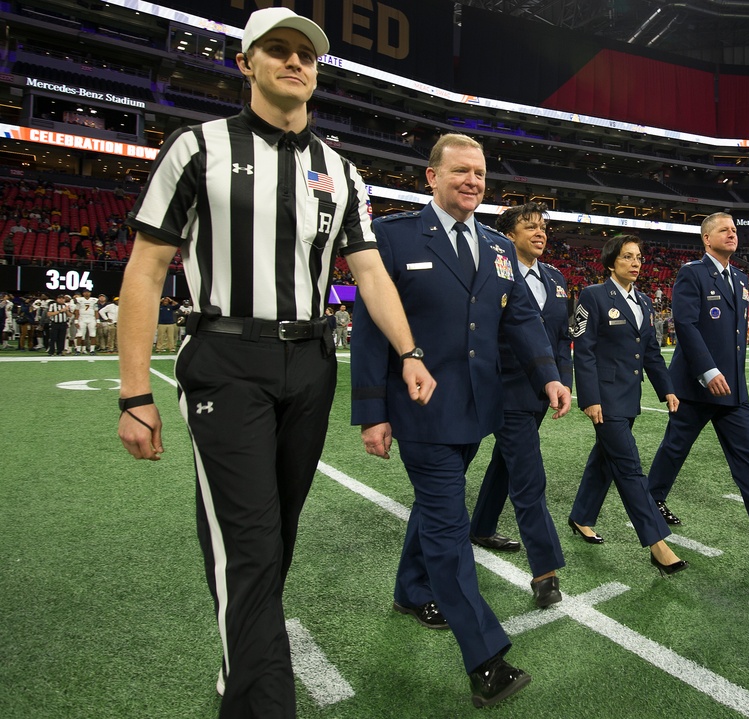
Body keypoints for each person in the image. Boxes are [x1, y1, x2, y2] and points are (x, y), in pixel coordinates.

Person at [116, 8, 435, 717]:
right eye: (279, 51)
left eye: (306, 55)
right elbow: (145, 270)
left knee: (275, 536)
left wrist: (409, 350)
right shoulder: (195, 147)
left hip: (312, 361)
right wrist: (132, 392)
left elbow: (371, 272)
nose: (296, 62)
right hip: (225, 359)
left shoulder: (341, 171)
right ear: (246, 63)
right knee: (251, 545)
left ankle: (240, 665)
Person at [350, 133, 571, 708]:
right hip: (421, 411)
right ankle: (485, 658)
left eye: (479, 173)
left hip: (478, 411)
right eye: (460, 171)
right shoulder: (395, 237)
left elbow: (521, 317)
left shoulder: (498, 246)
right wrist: (373, 412)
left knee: (434, 507)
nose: (472, 181)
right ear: (432, 177)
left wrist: (547, 371)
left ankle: (408, 589)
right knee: (450, 528)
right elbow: (372, 330)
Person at [646, 212, 749, 548]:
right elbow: (686, 326)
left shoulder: (739, 278)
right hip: (696, 384)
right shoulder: (692, 274)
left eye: (735, 229)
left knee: (746, 455)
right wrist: (708, 371)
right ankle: (650, 501)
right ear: (707, 238)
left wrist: (731, 378)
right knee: (675, 447)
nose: (732, 234)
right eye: (724, 230)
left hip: (732, 388)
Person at [467, 202, 572, 608]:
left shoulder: (557, 277)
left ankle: (481, 526)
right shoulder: (493, 274)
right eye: (529, 227)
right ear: (508, 237)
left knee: (506, 462)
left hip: (541, 392)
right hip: (504, 387)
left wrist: (561, 380)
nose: (540, 232)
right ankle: (545, 572)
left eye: (543, 226)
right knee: (529, 477)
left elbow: (563, 337)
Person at [568, 235, 689, 576]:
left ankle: (581, 516)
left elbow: (651, 352)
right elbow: (584, 349)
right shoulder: (592, 296)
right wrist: (589, 399)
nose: (636, 263)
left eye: (638, 257)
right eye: (627, 257)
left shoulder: (645, 302)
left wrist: (667, 390)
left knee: (604, 462)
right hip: (605, 401)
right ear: (611, 263)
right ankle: (657, 544)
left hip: (629, 398)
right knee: (630, 469)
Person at [75, 288, 99, 355]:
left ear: (90, 293)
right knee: (79, 334)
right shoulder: (79, 300)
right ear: (83, 293)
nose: (87, 293)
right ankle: (78, 350)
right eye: (85, 292)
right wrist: (76, 321)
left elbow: (96, 311)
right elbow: (76, 311)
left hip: (91, 318)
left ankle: (92, 350)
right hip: (82, 318)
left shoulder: (94, 300)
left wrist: (98, 320)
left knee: (93, 334)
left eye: (88, 292)